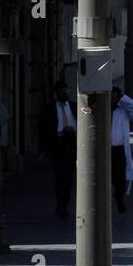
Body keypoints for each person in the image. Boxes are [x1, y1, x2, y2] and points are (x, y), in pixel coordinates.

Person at [39, 80, 76, 218]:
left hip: (71, 143)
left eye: (66, 90)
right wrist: (42, 150)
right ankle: (60, 204)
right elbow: (42, 129)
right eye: (62, 91)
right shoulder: (49, 109)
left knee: (69, 177)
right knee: (59, 176)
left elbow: (85, 119)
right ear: (56, 93)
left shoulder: (74, 106)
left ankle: (65, 202)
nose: (65, 93)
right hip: (57, 144)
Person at [109, 85, 133, 215]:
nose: (112, 100)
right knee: (107, 176)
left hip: (119, 149)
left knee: (120, 176)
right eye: (110, 98)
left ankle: (119, 198)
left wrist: (123, 99)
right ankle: (108, 199)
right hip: (105, 149)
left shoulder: (123, 112)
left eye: (115, 98)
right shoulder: (101, 110)